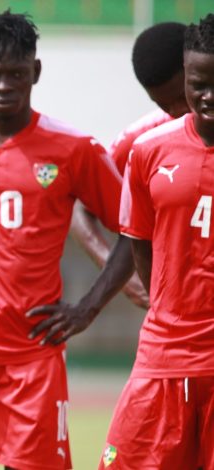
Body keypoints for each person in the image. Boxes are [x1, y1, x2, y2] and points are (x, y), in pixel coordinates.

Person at [0, 12, 135, 470]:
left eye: (17, 74)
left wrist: (89, 306)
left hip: (33, 356)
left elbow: (134, 228)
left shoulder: (73, 149)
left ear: (37, 72)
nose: (4, 85)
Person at [99, 14, 214, 469]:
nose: (208, 97)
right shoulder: (149, 150)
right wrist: (166, 303)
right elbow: (138, 243)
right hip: (165, 353)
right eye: (198, 83)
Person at [69, 22, 189, 309]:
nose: (177, 112)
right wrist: (127, 283)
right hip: (177, 311)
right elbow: (82, 210)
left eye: (182, 97)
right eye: (164, 104)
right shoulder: (142, 141)